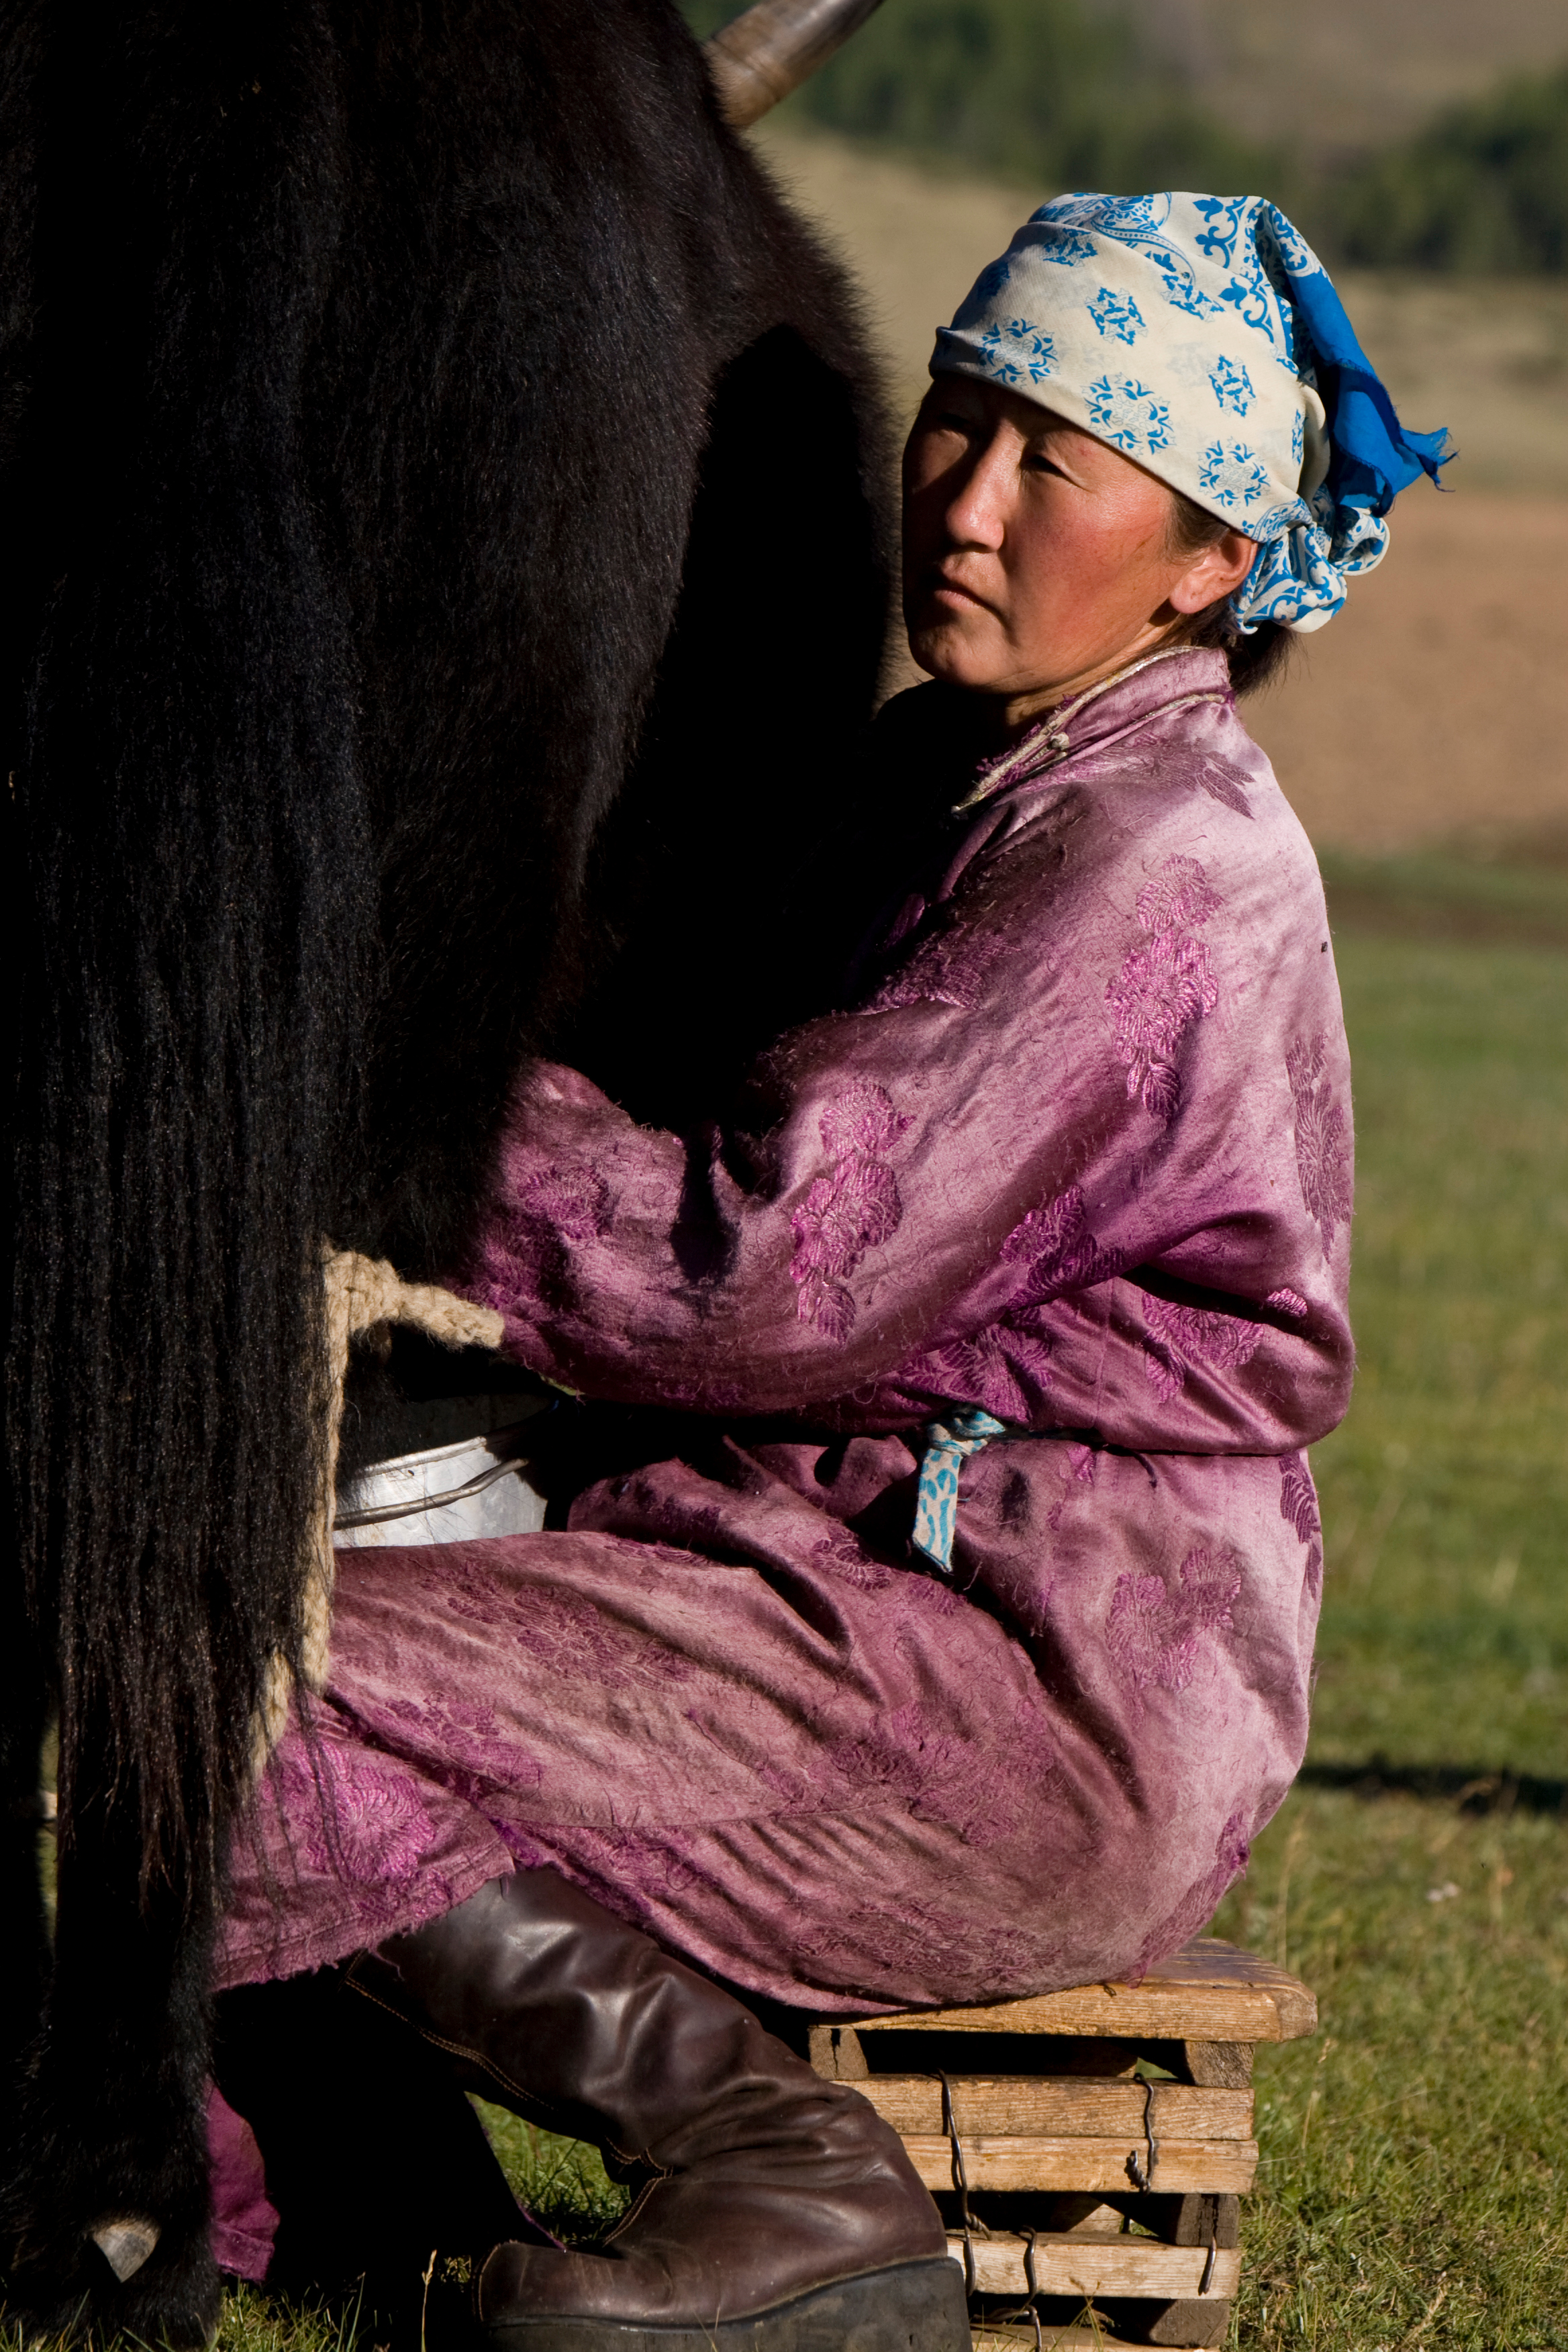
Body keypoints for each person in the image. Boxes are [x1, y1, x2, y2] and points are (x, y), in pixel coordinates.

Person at [211, 193, 1446, 2350]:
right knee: (207, 1620)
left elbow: (757, 1268)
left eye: (1052, 459)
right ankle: (354, 2206)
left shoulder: (1153, 863)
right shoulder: (943, 782)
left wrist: (389, 1106)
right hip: (844, 1600)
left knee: (226, 1687)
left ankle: (785, 2186)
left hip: (1030, 1689)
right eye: (954, 427)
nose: (962, 506)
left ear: (1210, 560)